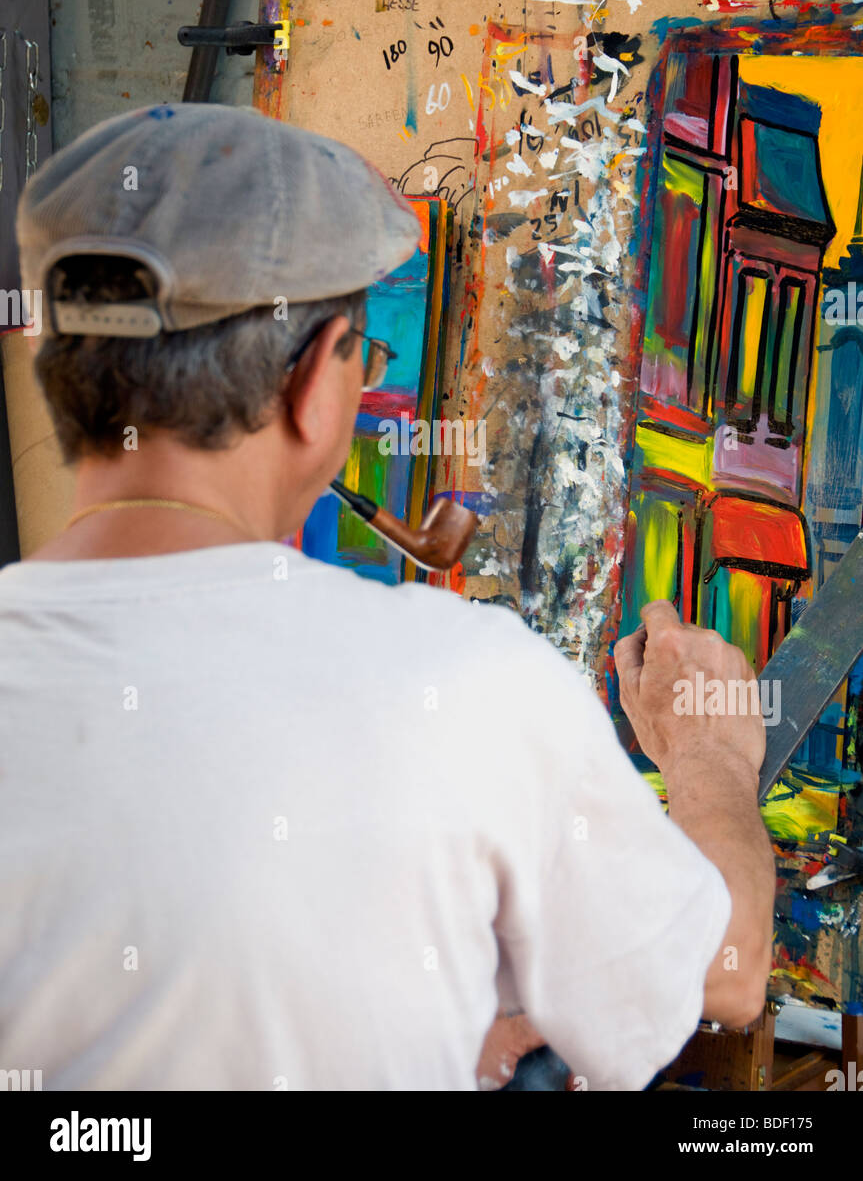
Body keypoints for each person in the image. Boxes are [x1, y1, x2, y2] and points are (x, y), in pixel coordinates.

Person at [0, 104, 774, 1091]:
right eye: (364, 356)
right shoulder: (464, 683)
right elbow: (727, 968)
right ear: (317, 385)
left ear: (52, 370)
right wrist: (707, 753)